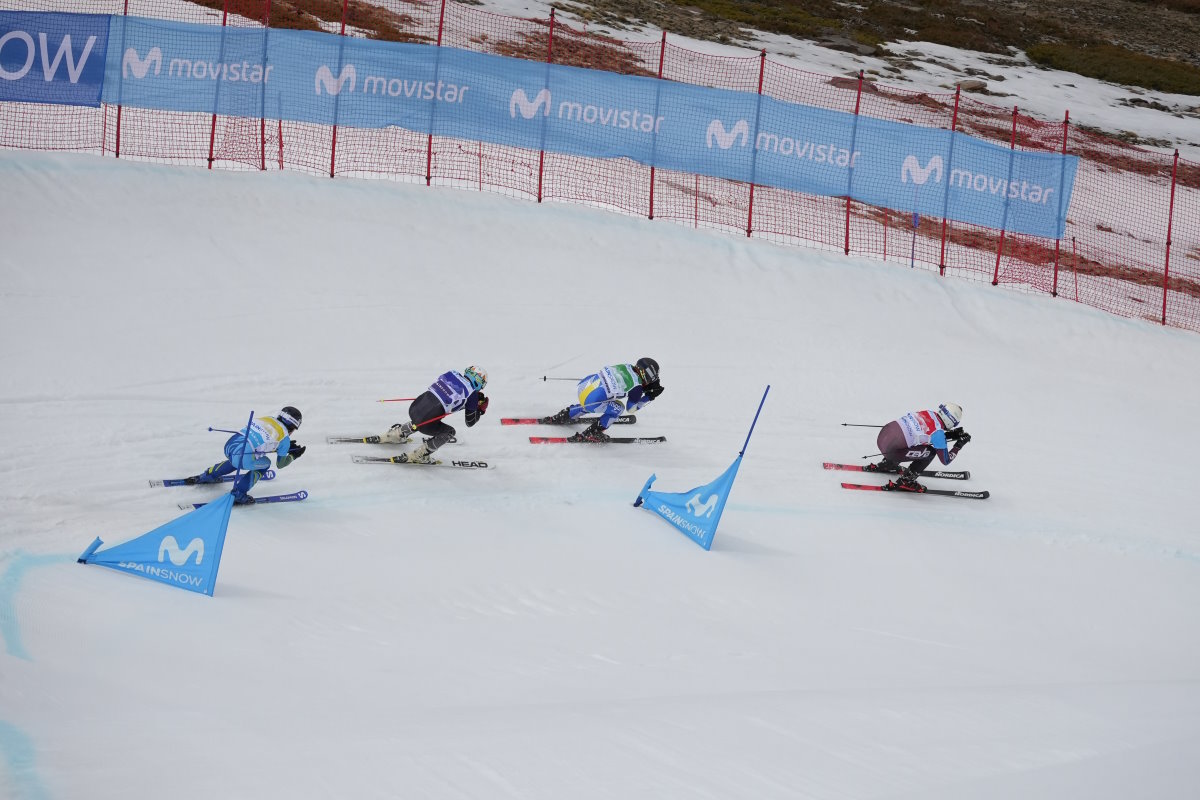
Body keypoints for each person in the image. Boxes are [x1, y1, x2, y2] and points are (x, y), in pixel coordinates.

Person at [190, 406, 305, 504]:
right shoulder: (284, 439)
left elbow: (260, 441)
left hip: (230, 446)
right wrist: (293, 456)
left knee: (239, 457)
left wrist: (279, 447)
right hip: (243, 456)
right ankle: (239, 494)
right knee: (265, 464)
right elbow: (280, 464)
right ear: (293, 427)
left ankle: (209, 475)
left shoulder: (267, 418)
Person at [381, 366, 489, 463]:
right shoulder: (472, 395)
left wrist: (471, 402)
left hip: (414, 408)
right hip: (425, 422)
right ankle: (419, 455)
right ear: (479, 383)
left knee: (427, 415)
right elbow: (470, 422)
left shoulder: (452, 373)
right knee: (449, 432)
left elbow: (452, 399)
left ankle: (397, 433)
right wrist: (480, 410)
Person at [547, 358, 664, 443]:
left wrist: (642, 388)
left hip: (584, 387)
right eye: (652, 378)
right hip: (592, 401)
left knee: (599, 397)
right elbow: (631, 409)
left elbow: (626, 382)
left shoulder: (627, 366)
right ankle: (592, 432)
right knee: (619, 408)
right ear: (647, 375)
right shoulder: (637, 388)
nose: (652, 381)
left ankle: (566, 415)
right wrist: (649, 397)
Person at [864, 402, 971, 492]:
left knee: (914, 440)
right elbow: (945, 460)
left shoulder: (928, 413)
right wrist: (958, 445)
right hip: (892, 452)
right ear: (950, 421)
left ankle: (888, 464)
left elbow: (925, 436)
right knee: (930, 452)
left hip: (883, 438)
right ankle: (906, 481)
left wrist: (951, 435)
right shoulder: (938, 433)